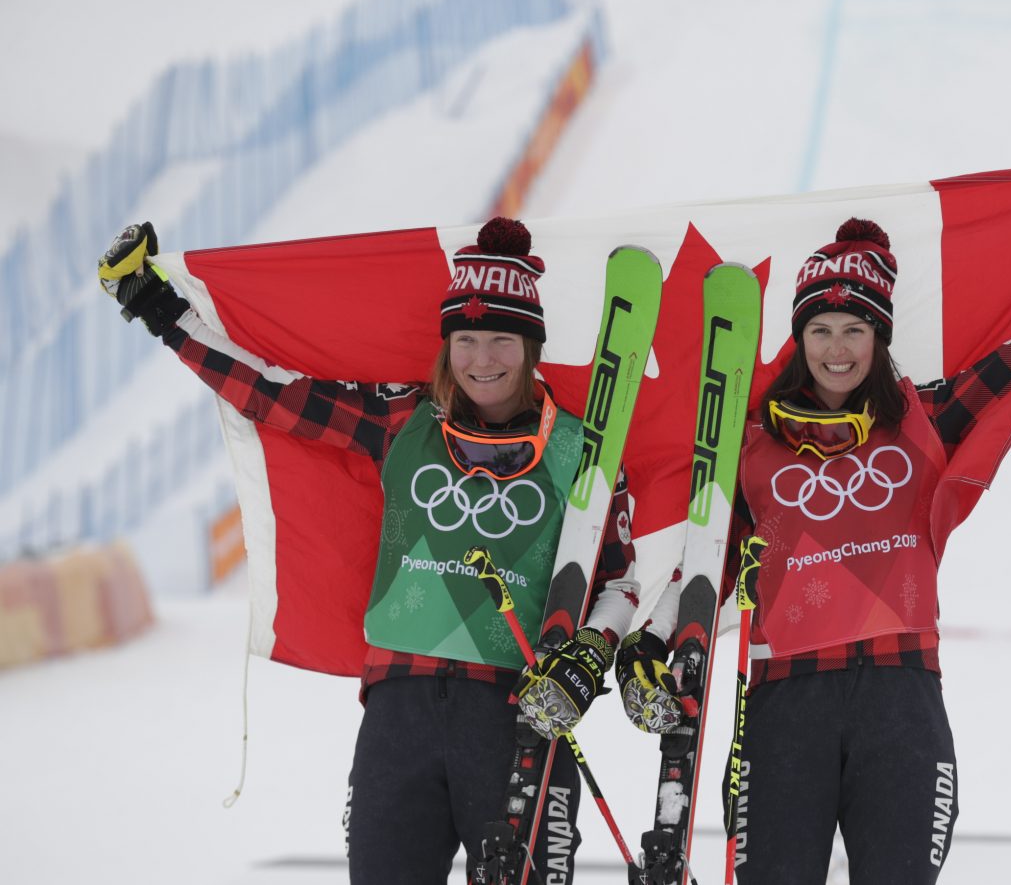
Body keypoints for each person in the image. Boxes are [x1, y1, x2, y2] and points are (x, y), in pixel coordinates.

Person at [615, 153, 1011, 883]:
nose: (837, 349)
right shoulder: (752, 444)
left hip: (899, 698)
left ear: (879, 335)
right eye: (821, 329)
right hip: (784, 703)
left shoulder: (929, 418)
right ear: (799, 336)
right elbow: (711, 572)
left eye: (854, 329)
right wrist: (654, 641)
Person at [97, 216, 642, 884]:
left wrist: (589, 656)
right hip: (399, 712)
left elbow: (621, 581)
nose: (483, 358)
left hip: (516, 713)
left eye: (502, 338)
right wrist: (162, 312)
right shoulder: (402, 418)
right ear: (447, 346)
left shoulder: (580, 449)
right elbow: (272, 393)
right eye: (466, 339)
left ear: (531, 347)